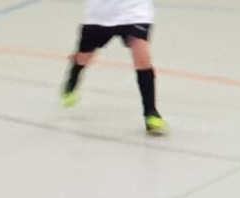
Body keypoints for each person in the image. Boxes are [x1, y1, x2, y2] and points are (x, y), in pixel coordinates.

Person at [61, 0, 167, 135]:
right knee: (84, 57)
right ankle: (73, 78)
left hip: (135, 12)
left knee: (142, 59)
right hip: (100, 15)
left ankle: (151, 113)